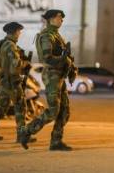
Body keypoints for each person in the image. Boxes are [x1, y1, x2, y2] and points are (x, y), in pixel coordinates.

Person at [19, 9, 77, 150]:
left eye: (62, 18)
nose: (61, 20)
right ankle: (26, 131)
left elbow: (65, 57)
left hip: (60, 75)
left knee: (64, 111)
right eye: (58, 18)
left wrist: (71, 68)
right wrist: (64, 59)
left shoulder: (56, 35)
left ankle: (56, 142)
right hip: (52, 75)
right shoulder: (47, 36)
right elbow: (47, 58)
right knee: (53, 110)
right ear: (50, 19)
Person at [0, 22, 33, 143]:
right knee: (20, 107)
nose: (20, 34)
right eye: (19, 32)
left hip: (4, 81)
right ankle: (21, 135)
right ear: (15, 32)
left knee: (2, 107)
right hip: (12, 81)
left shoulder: (1, 44)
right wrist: (25, 63)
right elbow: (15, 64)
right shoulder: (11, 46)